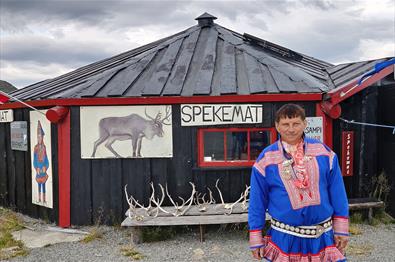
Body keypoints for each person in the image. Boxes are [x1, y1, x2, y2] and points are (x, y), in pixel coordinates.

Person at [248, 104, 349, 261]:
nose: (291, 129)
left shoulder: (324, 153)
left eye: (296, 123)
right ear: (277, 126)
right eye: (285, 124)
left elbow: (338, 192)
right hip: (284, 239)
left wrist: (341, 229)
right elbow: (257, 200)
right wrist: (255, 235)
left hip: (323, 238)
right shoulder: (266, 160)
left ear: (304, 124)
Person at [33, 120, 49, 203]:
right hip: (38, 171)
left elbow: (47, 160)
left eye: (41, 137)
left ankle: (44, 199)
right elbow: (34, 160)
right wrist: (36, 168)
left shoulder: (44, 147)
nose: (39, 138)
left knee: (44, 186)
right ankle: (39, 199)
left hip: (43, 171)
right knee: (39, 185)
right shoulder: (35, 148)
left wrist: (45, 167)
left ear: (42, 137)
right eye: (38, 137)